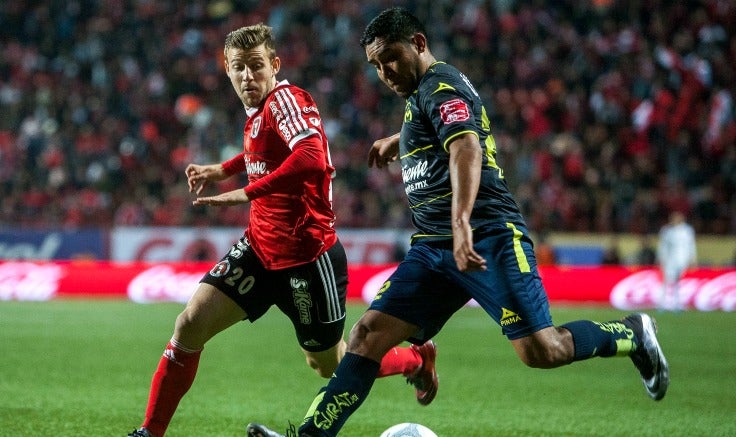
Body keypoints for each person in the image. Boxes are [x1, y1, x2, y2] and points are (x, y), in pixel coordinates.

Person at [248, 8, 670, 437]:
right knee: (367, 335)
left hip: (487, 236)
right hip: (433, 247)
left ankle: (631, 333)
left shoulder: (440, 85)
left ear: (418, 44)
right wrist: (402, 139)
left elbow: (466, 145)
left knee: (542, 350)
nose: (384, 72)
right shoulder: (423, 95)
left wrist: (463, 221)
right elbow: (451, 126)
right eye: (375, 64)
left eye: (390, 57)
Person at [128, 23, 436, 437]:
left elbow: (310, 156)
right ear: (227, 70)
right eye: (238, 67)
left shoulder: (286, 100)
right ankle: (149, 433)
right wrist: (224, 169)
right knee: (189, 324)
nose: (247, 76)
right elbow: (263, 149)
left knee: (330, 364)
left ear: (274, 65)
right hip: (258, 250)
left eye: (256, 65)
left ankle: (415, 359)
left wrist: (245, 192)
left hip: (309, 258)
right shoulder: (258, 112)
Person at [657, 211, 696, 311]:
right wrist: (661, 258)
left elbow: (691, 245)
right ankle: (662, 304)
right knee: (666, 281)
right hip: (669, 260)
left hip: (683, 260)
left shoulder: (687, 230)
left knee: (679, 282)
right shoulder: (666, 231)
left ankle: (677, 304)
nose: (674, 220)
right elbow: (662, 246)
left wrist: (693, 258)